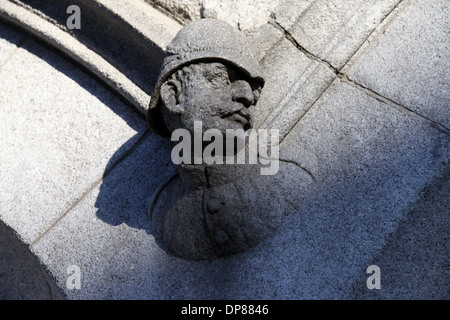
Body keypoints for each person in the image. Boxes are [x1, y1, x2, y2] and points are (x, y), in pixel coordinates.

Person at [147, 19, 315, 260]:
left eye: (254, 90)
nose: (247, 96)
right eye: (223, 77)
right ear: (174, 97)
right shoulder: (162, 210)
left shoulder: (292, 180)